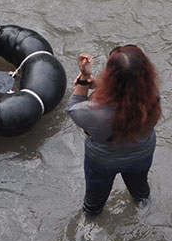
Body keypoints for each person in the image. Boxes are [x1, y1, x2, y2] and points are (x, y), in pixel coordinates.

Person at [66, 45, 161, 217]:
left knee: (93, 204)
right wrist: (100, 86)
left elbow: (73, 107)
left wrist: (85, 78)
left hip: (103, 162)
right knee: (141, 193)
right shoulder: (153, 95)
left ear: (111, 77)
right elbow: (129, 94)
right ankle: (144, 210)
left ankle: (91, 221)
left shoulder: (93, 112)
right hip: (141, 155)